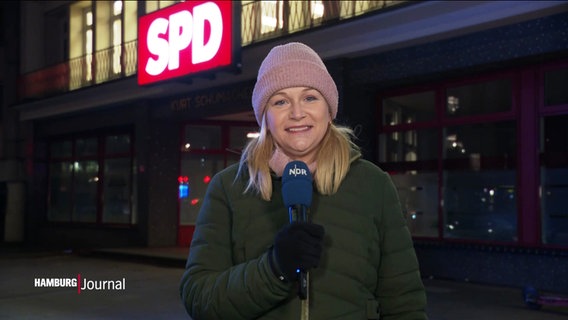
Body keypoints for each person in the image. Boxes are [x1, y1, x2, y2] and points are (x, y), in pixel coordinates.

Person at [180, 42, 428, 319]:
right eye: (280, 101)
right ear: (265, 117)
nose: (297, 112)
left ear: (329, 109)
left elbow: (404, 302)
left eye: (310, 97)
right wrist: (274, 269)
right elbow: (199, 297)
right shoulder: (229, 188)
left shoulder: (373, 184)